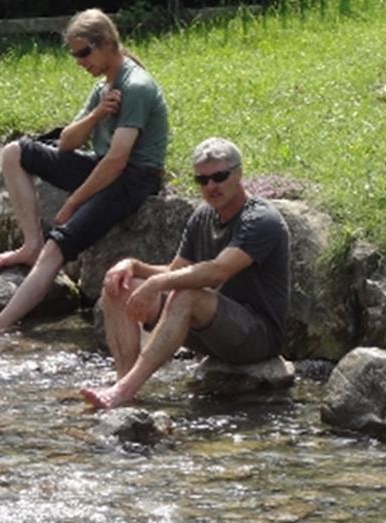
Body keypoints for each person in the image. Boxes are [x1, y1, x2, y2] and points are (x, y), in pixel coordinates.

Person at [0, 8, 169, 332]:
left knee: (57, 246)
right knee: (16, 152)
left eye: (83, 52)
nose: (79, 61)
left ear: (106, 42)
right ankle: (30, 245)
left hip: (135, 178)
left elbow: (117, 161)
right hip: (104, 166)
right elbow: (67, 143)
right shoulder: (104, 87)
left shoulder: (136, 86)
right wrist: (96, 115)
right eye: (74, 55)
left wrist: (73, 202)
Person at [81, 137, 290, 409]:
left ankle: (123, 389)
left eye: (219, 177)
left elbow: (218, 271)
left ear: (238, 174)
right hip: (209, 329)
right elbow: (176, 271)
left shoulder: (261, 220)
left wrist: (155, 284)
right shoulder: (203, 216)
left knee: (186, 296)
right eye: (202, 180)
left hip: (257, 337)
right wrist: (132, 266)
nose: (211, 186)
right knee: (119, 284)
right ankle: (125, 387)